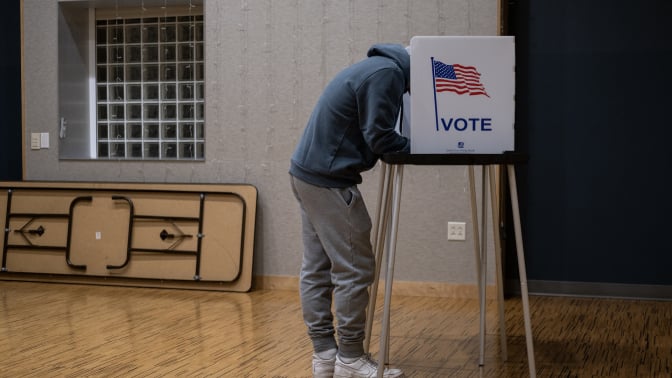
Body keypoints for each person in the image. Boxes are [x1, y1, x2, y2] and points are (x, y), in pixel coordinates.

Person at [289, 43, 410, 378]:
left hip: (305, 173)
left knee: (317, 268)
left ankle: (325, 355)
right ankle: (351, 358)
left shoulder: (374, 68)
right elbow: (381, 137)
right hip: (329, 181)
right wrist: (421, 145)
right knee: (354, 269)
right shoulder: (389, 74)